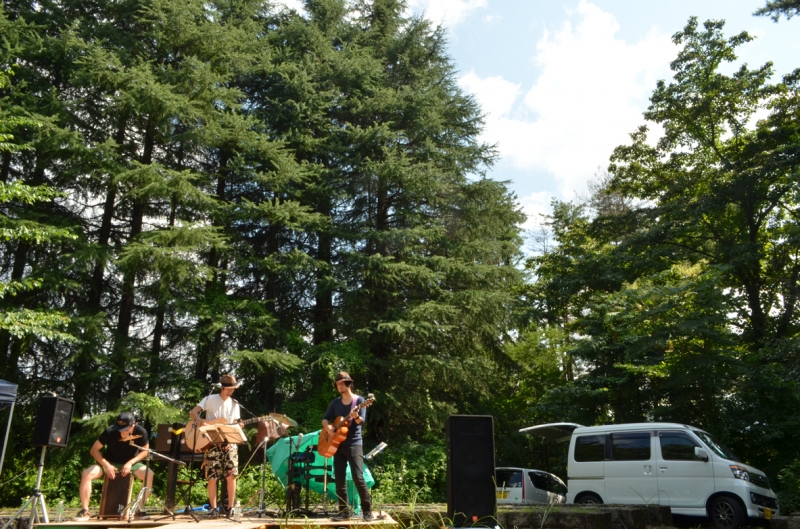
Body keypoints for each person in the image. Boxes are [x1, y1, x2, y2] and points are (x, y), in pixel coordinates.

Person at [76, 412, 153, 521]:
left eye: (125, 429)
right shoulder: (110, 431)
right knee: (86, 474)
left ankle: (138, 510)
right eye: (120, 428)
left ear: (133, 424)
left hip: (131, 462)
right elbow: (94, 450)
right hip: (109, 461)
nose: (121, 431)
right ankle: (85, 511)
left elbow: (145, 451)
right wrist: (106, 465)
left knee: (149, 474)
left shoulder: (141, 432)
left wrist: (131, 463)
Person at [189, 374, 242, 518]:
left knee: (231, 475)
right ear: (222, 388)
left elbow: (236, 423)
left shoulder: (235, 403)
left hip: (230, 442)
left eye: (233, 389)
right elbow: (193, 412)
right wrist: (203, 423)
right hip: (211, 442)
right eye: (229, 389)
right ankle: (213, 508)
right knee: (212, 476)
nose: (231, 391)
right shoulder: (210, 399)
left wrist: (238, 426)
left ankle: (230, 508)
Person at [321, 371, 373, 521]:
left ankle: (367, 511)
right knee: (339, 480)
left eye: (341, 383)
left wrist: (356, 416)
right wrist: (329, 429)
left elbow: (361, 422)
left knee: (358, 477)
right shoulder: (335, 403)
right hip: (337, 445)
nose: (339, 386)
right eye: (337, 384)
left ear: (348, 384)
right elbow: (325, 419)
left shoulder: (360, 400)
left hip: (354, 444)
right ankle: (344, 513)